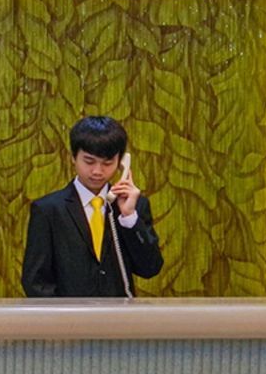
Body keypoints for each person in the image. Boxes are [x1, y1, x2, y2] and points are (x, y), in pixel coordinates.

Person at [21, 115, 165, 298]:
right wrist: (62, 314)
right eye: (89, 161)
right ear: (73, 157)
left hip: (118, 313)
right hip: (67, 314)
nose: (97, 171)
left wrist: (129, 217)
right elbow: (35, 281)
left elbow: (150, 268)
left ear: (121, 162)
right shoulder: (48, 210)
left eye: (107, 163)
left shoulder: (134, 206)